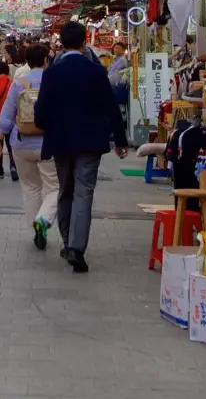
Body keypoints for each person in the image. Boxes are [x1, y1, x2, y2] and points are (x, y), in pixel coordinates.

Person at [34, 21, 129, 274]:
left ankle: (67, 243)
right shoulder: (96, 71)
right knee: (84, 192)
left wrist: (47, 126)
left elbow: (40, 112)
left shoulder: (51, 73)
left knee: (65, 189)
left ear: (62, 44)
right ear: (84, 41)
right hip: (90, 141)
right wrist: (120, 140)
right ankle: (77, 248)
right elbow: (111, 107)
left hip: (61, 141)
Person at [0, 43, 57, 249]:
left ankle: (35, 227)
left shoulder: (19, 82)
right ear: (46, 60)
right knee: (55, 186)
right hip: (49, 143)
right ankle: (44, 219)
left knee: (30, 187)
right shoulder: (54, 82)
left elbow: (7, 113)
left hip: (20, 142)